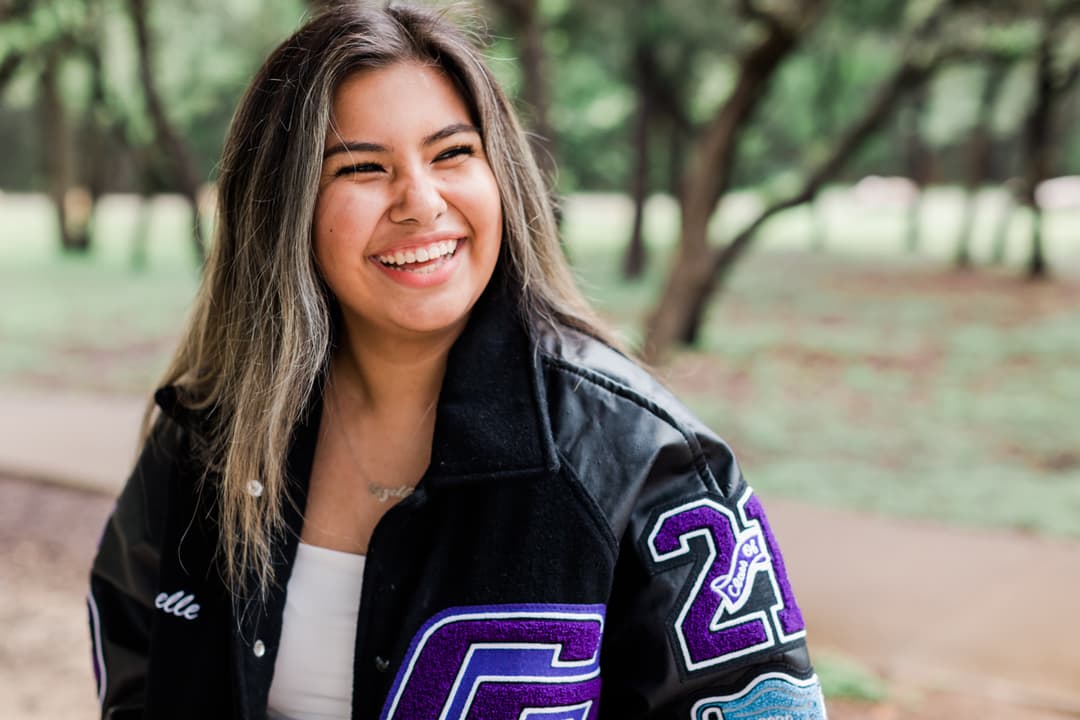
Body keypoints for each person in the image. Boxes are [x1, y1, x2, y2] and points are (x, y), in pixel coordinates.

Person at [87, 2, 826, 719]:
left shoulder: (642, 459)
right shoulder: (209, 433)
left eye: (452, 154)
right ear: (284, 210)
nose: (420, 201)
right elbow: (135, 666)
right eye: (362, 168)